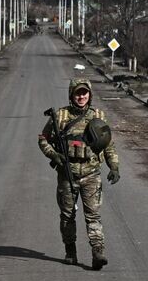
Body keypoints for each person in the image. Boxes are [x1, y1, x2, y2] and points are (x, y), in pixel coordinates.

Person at [38, 78, 119, 269]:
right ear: (71, 94)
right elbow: (43, 139)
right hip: (67, 175)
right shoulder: (60, 116)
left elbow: (108, 144)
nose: (81, 96)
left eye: (85, 93)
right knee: (67, 216)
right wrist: (54, 154)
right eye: (78, 93)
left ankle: (98, 252)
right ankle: (70, 250)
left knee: (93, 216)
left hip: (91, 174)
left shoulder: (98, 116)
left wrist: (114, 167)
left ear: (90, 94)